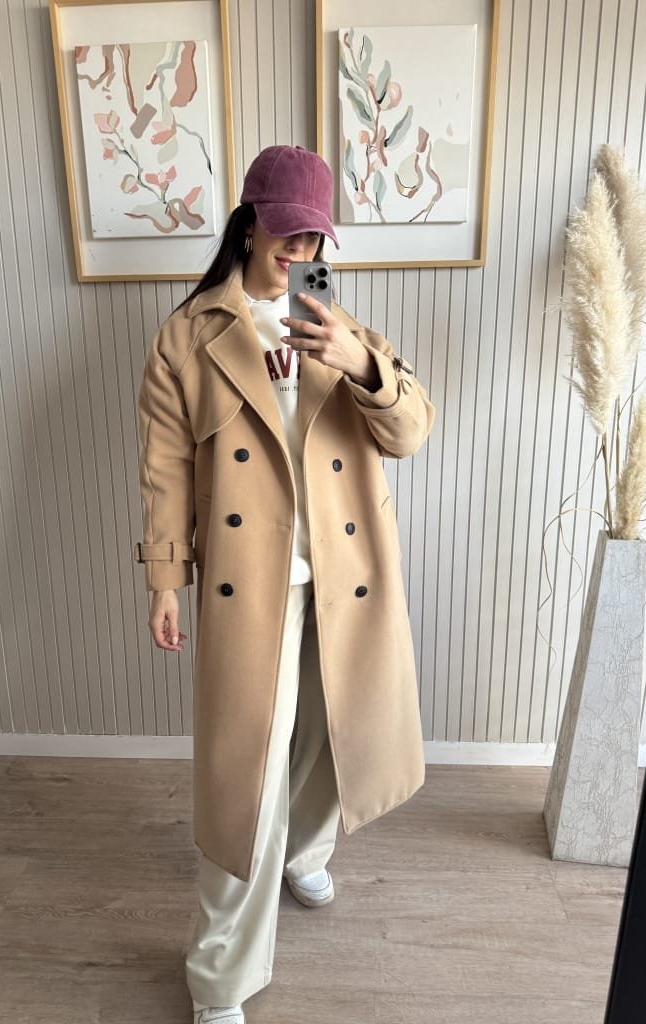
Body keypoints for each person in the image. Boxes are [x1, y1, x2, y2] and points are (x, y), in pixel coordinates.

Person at [133, 144, 436, 1024]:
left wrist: (360, 362)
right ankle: (220, 977)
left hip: (348, 576)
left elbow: (411, 431)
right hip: (250, 582)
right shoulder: (189, 336)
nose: (300, 250)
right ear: (250, 224)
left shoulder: (342, 327)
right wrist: (165, 578)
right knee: (247, 776)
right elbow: (163, 467)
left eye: (314, 237)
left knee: (337, 742)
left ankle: (304, 853)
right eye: (288, 231)